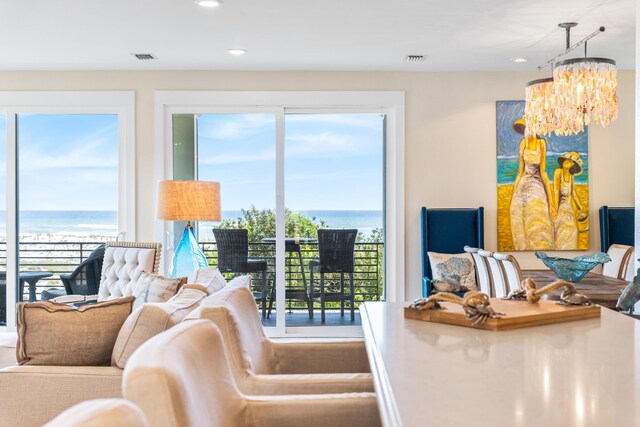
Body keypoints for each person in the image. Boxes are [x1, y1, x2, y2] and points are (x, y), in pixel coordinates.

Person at [509, 117, 554, 250]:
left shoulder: (541, 143)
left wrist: (551, 200)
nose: (526, 130)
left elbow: (544, 172)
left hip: (536, 183)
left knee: (537, 216)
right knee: (519, 217)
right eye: (525, 128)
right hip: (523, 183)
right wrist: (513, 193)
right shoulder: (523, 143)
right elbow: (520, 171)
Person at [551, 151, 586, 250]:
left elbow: (573, 193)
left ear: (573, 165)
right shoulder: (558, 172)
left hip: (569, 209)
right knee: (561, 233)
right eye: (567, 159)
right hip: (561, 208)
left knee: (572, 232)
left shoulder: (571, 177)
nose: (567, 161)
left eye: (570, 161)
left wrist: (581, 208)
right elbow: (556, 193)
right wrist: (555, 211)